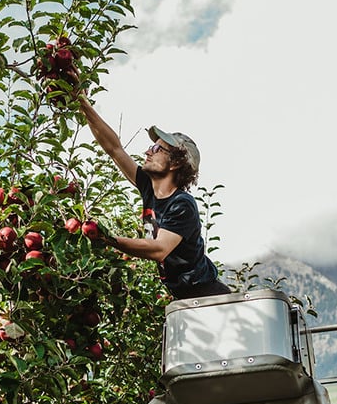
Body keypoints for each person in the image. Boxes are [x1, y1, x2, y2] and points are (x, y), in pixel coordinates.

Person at [76, 90, 230, 300]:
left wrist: (106, 237)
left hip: (209, 297)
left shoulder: (182, 204)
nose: (148, 151)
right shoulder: (149, 187)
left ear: (176, 163)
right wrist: (82, 103)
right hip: (186, 299)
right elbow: (114, 148)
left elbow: (159, 249)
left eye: (157, 149)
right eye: (151, 146)